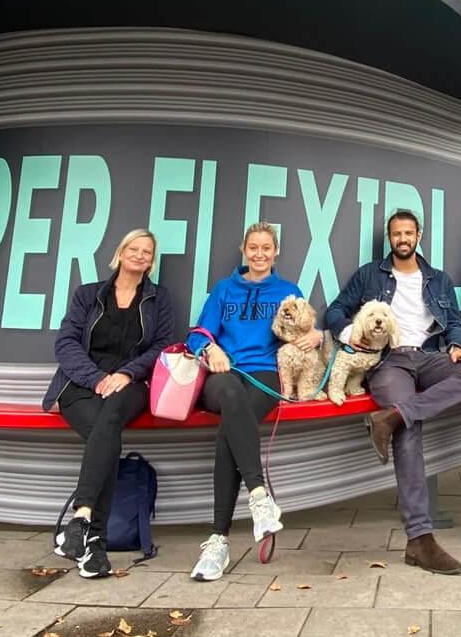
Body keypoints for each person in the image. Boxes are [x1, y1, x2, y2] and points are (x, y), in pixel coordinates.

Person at [326, 210, 461, 574]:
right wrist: (351, 334)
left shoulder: (438, 279)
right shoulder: (370, 274)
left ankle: (392, 417)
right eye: (396, 233)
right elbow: (336, 310)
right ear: (390, 238)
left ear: (418, 235)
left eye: (408, 233)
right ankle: (420, 540)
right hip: (389, 361)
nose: (402, 238)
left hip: (430, 356)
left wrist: (457, 346)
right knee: (409, 433)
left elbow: (454, 322)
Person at [185, 222, 316, 581]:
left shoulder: (288, 291)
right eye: (253, 247)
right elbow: (197, 334)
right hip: (224, 373)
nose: (260, 254)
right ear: (244, 250)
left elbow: (305, 329)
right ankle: (259, 496)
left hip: (266, 374)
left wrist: (317, 336)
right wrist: (210, 348)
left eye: (266, 248)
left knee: (229, 431)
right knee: (230, 396)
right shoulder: (224, 289)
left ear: (276, 252)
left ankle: (218, 541)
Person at [43, 229, 176, 578]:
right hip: (80, 385)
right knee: (108, 436)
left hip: (130, 385)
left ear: (151, 261)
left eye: (147, 252)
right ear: (120, 252)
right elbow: (66, 342)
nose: (139, 255)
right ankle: (96, 546)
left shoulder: (158, 299)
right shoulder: (88, 294)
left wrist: (127, 373)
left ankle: (81, 516)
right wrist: (96, 378)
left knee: (110, 419)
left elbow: (162, 346)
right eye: (134, 248)